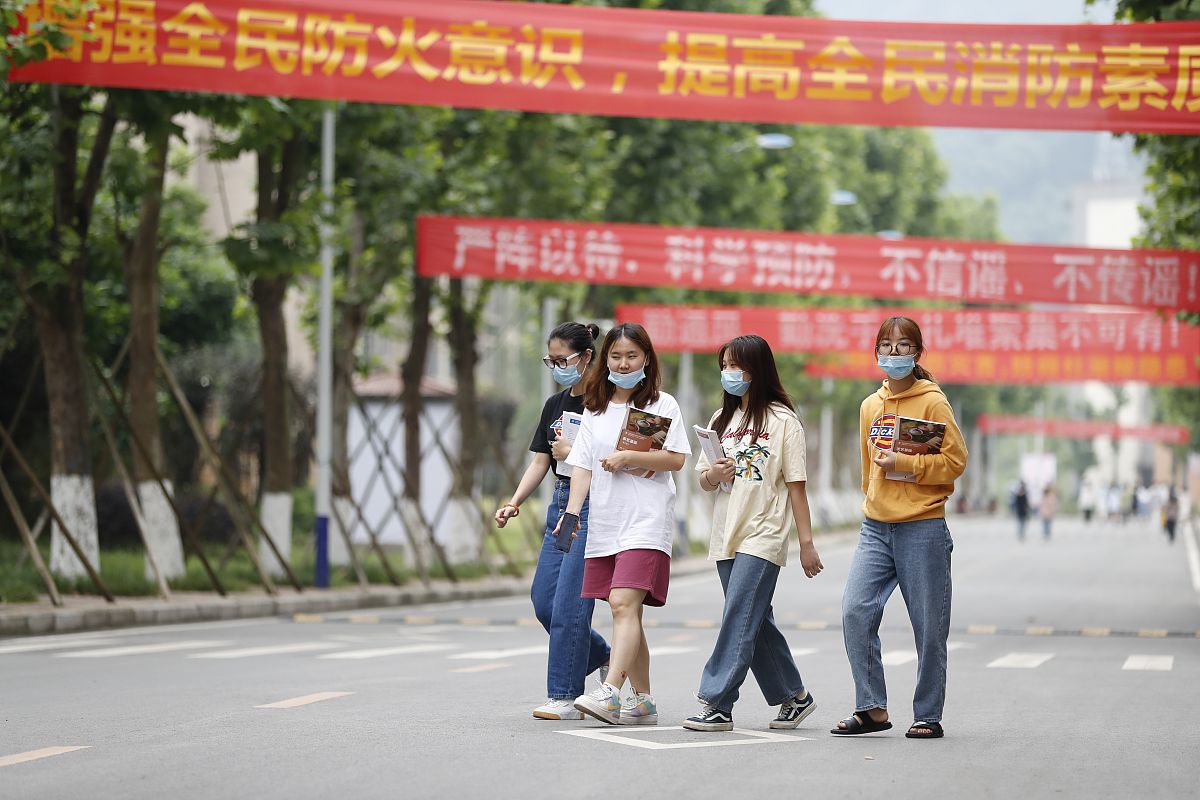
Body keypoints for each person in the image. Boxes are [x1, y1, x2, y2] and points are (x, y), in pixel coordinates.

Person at [833, 316, 967, 741]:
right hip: (876, 527)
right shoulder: (869, 406)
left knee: (928, 627)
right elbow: (865, 464)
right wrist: (875, 496)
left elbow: (954, 463)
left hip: (922, 527)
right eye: (886, 346)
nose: (894, 353)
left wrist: (905, 463)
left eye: (903, 346)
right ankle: (871, 708)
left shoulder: (933, 403)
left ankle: (928, 714)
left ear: (917, 353)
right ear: (876, 352)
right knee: (856, 610)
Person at [683, 335, 824, 733]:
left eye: (736, 366)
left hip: (764, 532)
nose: (729, 373)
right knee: (753, 616)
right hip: (726, 532)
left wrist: (806, 544)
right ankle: (794, 696)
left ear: (757, 370)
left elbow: (797, 486)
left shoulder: (783, 422)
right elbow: (705, 482)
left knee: (738, 614)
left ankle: (718, 701)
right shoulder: (719, 421)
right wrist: (715, 473)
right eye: (724, 365)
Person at [557, 322, 692, 726]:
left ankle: (611, 692)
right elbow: (580, 465)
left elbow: (675, 459)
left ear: (646, 359)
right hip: (606, 523)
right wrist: (572, 512)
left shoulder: (661, 405)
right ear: (605, 360)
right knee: (627, 615)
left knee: (622, 604)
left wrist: (628, 458)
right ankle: (645, 700)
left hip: (646, 522)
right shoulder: (596, 410)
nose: (623, 362)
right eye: (616, 355)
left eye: (632, 355)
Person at [494, 322, 610, 721]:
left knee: (569, 606)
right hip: (561, 503)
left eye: (564, 360)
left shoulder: (608, 404)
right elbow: (542, 461)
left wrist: (575, 449)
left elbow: (616, 460)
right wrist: (514, 502)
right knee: (544, 602)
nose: (558, 367)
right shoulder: (555, 405)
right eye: (552, 360)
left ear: (587, 357)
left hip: (595, 503)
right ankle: (604, 654)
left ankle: (564, 694)